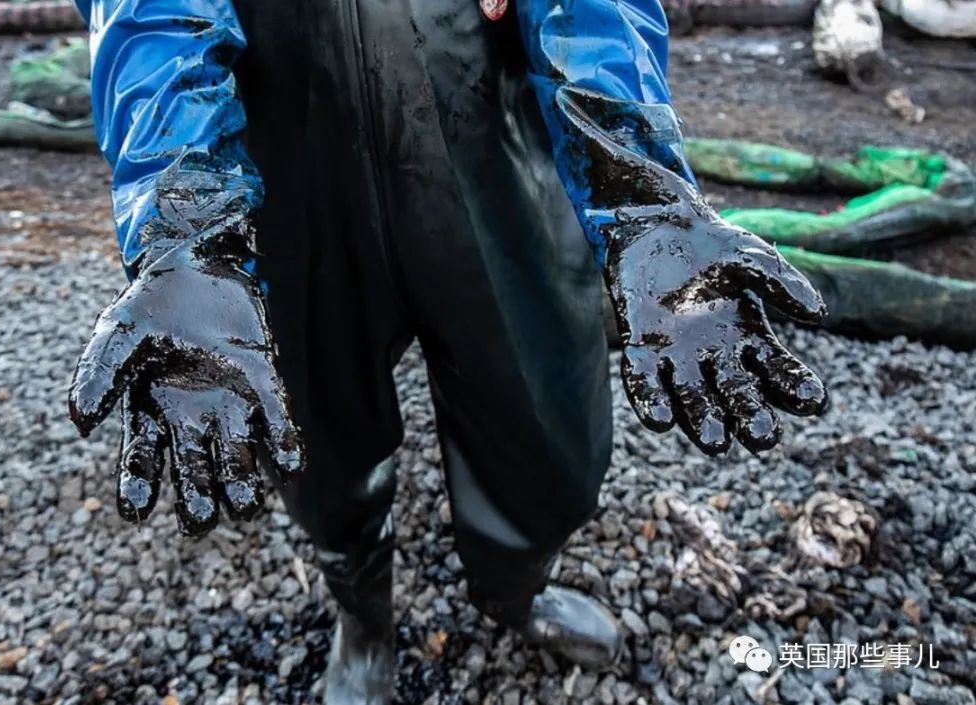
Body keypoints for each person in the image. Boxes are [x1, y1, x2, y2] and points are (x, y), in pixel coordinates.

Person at [67, 1, 829, 702]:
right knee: (312, 425)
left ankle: (515, 583)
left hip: (479, 105)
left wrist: (638, 182)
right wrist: (186, 224)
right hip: (281, 132)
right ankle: (362, 608)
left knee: (548, 419)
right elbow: (151, 11)